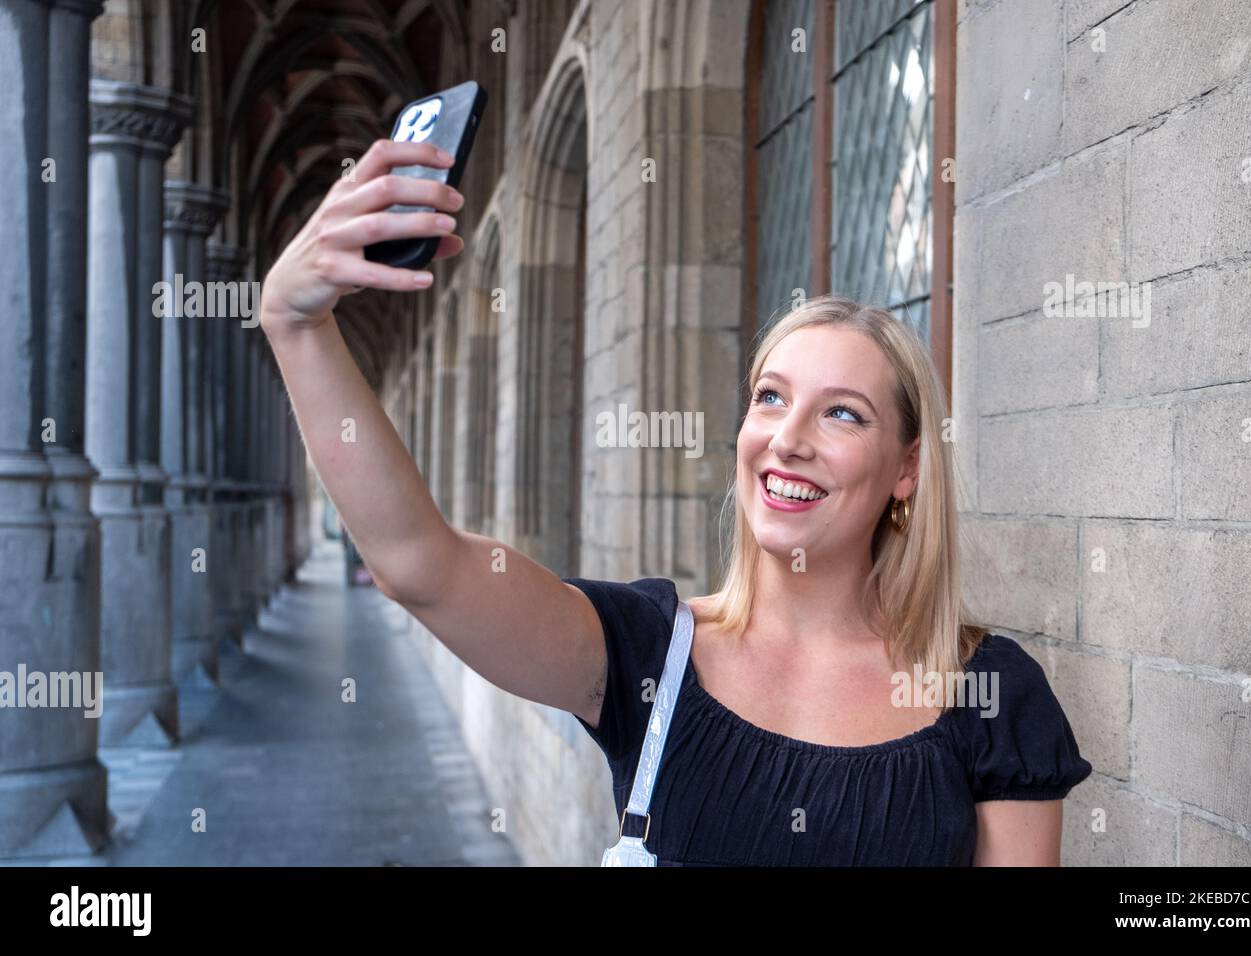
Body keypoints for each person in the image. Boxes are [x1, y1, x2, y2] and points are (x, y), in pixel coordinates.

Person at [259, 138, 1091, 866]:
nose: (787, 437)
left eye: (843, 412)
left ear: (908, 468)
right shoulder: (648, 655)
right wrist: (298, 327)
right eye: (769, 397)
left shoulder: (992, 696)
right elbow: (417, 567)